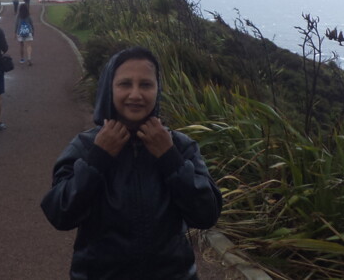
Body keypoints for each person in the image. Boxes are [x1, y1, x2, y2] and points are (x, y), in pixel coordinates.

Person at [40, 47, 223, 279]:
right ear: (109, 88)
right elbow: (60, 214)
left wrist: (170, 159)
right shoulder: (85, 146)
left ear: (158, 90)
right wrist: (98, 159)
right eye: (125, 84)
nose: (135, 94)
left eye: (146, 84)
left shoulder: (179, 146)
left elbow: (206, 215)